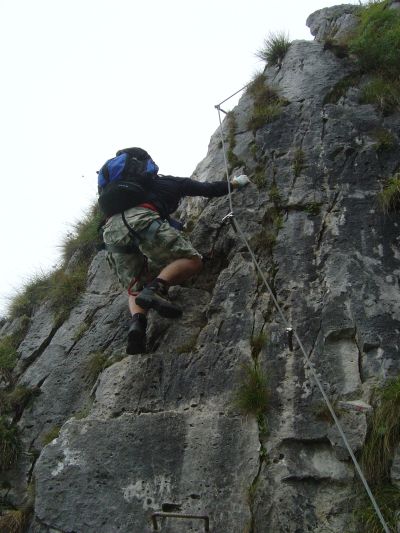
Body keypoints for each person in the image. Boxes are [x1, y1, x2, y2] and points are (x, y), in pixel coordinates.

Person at [100, 147, 250, 355]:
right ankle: (155, 290)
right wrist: (235, 183)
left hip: (111, 233)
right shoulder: (169, 182)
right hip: (143, 221)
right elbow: (208, 189)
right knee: (192, 261)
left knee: (135, 286)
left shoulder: (120, 194)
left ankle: (138, 324)